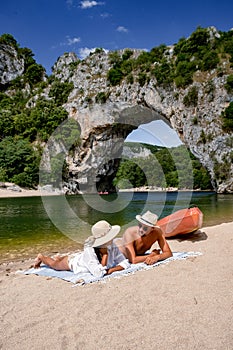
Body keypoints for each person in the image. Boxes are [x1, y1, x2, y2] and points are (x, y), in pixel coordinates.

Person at [34, 220, 130, 277]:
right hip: (73, 263)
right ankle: (41, 257)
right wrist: (105, 255)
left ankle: (59, 257)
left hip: (81, 258)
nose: (112, 238)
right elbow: (98, 273)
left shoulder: (111, 245)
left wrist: (112, 270)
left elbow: (125, 262)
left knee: (61, 260)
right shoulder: (90, 251)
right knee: (54, 264)